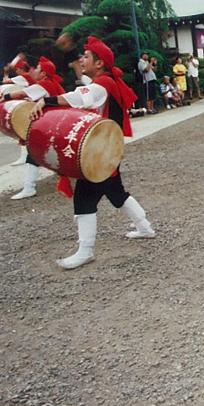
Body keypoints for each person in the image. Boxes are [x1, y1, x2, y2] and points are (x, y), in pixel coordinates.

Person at [29, 36, 156, 269]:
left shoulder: (102, 85)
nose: (82, 59)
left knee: (85, 197)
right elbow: (84, 82)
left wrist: (47, 100)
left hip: (100, 152)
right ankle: (145, 228)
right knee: (116, 192)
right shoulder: (107, 81)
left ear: (99, 64)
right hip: (106, 149)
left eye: (87, 56)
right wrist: (74, 58)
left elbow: (79, 96)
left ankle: (85, 251)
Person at [2, 56, 65, 198]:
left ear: (43, 73)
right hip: (57, 123)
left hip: (51, 125)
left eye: (37, 68)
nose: (34, 70)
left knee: (34, 154)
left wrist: (5, 97)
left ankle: (29, 188)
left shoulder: (44, 84)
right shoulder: (50, 83)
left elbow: (21, 93)